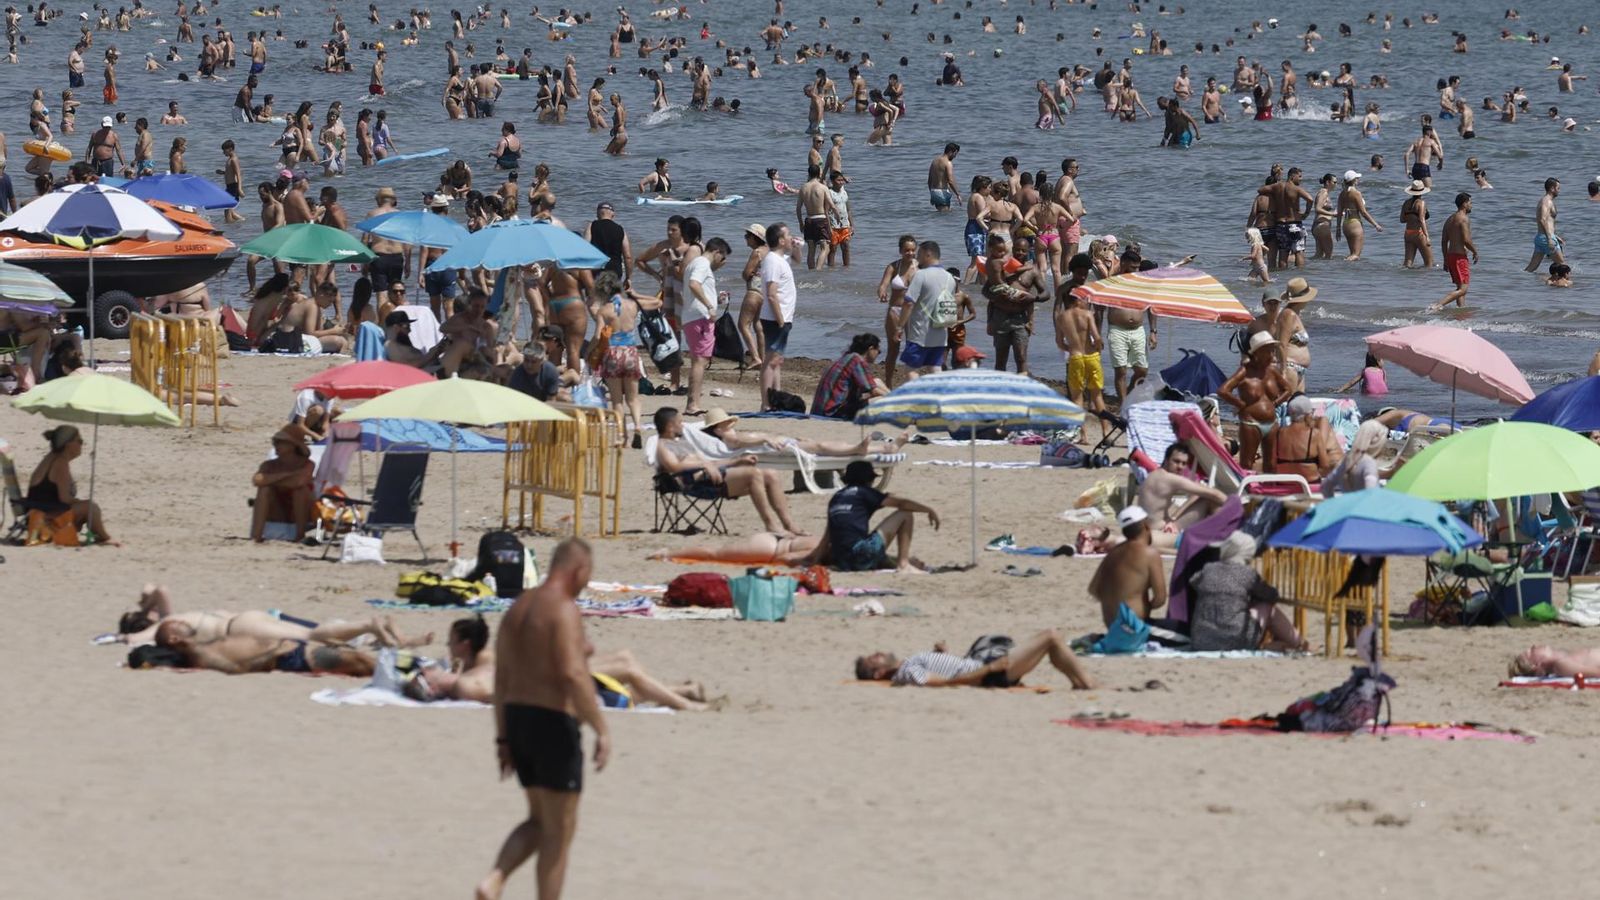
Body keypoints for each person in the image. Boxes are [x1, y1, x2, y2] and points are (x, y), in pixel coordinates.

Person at [477, 539, 607, 900]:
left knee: (538, 820)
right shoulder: (563, 609)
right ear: (579, 570)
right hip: (552, 724)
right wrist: (601, 728)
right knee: (559, 833)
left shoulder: (518, 607)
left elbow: (501, 680)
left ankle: (494, 879)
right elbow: (572, 674)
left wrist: (502, 740)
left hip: (517, 720)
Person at [114, 584, 431, 649]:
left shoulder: (161, 627)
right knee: (317, 634)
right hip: (247, 616)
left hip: (240, 628)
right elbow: (158, 588)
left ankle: (368, 626)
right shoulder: (174, 618)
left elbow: (128, 638)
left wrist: (127, 631)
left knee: (311, 637)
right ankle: (397, 636)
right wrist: (144, 606)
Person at [653, 407, 803, 535]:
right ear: (670, 426)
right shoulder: (663, 445)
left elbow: (710, 462)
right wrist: (704, 466)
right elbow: (674, 467)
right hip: (694, 484)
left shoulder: (683, 443)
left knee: (770, 473)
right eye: (679, 423)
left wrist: (736, 461)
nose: (683, 425)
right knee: (753, 473)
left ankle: (789, 524)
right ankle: (771, 524)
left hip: (709, 478)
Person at [854, 629, 1094, 689]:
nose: (878, 653)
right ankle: (1087, 683)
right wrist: (990, 668)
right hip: (991, 674)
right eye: (873, 659)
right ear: (877, 673)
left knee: (1050, 641)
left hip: (984, 667)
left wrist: (941, 656)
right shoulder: (907, 674)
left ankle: (1079, 682)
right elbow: (948, 683)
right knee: (1050, 637)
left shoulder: (907, 665)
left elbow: (947, 673)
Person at [1188, 532, 1306, 652]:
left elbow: (1193, 581)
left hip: (1201, 640)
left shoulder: (1208, 569)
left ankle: (1280, 644)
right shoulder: (1246, 574)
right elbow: (1271, 595)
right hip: (1235, 638)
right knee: (1268, 608)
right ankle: (1299, 643)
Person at [812, 461, 937, 572]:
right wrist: (928, 510)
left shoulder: (837, 498)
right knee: (905, 514)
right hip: (860, 555)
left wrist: (815, 561)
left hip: (841, 561)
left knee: (872, 551)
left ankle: (902, 562)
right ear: (869, 479)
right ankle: (904, 564)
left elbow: (827, 537)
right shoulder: (864, 492)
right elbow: (902, 503)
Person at [153, 619, 381, 676]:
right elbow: (235, 667)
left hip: (291, 650)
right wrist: (274, 653)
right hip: (289, 657)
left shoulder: (203, 644)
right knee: (361, 662)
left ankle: (407, 671)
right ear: (174, 639)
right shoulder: (199, 655)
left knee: (359, 660)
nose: (183, 623)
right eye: (177, 626)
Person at [590, 271, 654, 445]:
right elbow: (655, 303)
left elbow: (597, 336)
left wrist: (589, 351)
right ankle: (638, 426)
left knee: (617, 400)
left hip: (613, 354)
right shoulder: (632, 305)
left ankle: (621, 435)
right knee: (633, 398)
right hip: (631, 352)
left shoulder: (604, 310)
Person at [26, 424, 115, 545]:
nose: (81, 444)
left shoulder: (53, 458)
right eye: (79, 441)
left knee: (87, 506)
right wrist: (81, 502)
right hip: (45, 518)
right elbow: (65, 499)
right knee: (91, 508)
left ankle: (100, 536)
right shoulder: (60, 463)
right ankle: (105, 538)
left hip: (39, 512)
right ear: (68, 444)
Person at [1219, 332, 1294, 470]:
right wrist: (1239, 404)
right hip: (1250, 423)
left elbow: (1288, 389)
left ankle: (1269, 489)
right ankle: (1246, 489)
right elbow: (1223, 390)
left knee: (1271, 463)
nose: (1272, 355)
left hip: (1271, 423)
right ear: (1257, 353)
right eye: (1268, 351)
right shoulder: (1245, 371)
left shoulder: (1272, 371)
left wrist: (1275, 403)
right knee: (1247, 462)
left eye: (1272, 350)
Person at [1088, 506, 1168, 627]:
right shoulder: (1150, 554)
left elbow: (1093, 589)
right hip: (1135, 630)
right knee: (1186, 636)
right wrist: (1145, 608)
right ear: (1146, 526)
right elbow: (1160, 598)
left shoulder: (1112, 553)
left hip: (1112, 628)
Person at [680, 236, 730, 416]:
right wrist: (709, 306)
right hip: (700, 317)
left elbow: (692, 287)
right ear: (717, 252)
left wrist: (715, 301)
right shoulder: (701, 264)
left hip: (692, 316)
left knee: (698, 360)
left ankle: (692, 403)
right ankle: (693, 404)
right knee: (700, 361)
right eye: (722, 257)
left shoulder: (695, 264)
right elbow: (694, 284)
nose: (721, 262)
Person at [1138, 443, 1228, 535]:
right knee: (1210, 500)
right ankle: (1221, 537)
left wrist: (1176, 515)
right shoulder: (1169, 479)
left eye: (1184, 463)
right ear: (1166, 460)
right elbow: (1214, 494)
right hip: (1159, 531)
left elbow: (1198, 492)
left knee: (1199, 495)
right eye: (1176, 461)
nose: (1180, 467)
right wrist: (1235, 507)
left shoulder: (1156, 474)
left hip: (1150, 528)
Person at [898, 240, 955, 377]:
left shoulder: (921, 275)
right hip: (941, 334)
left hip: (920, 333)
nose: (917, 258)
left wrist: (899, 327)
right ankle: (938, 395)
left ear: (927, 254)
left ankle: (915, 397)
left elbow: (909, 303)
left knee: (911, 370)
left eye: (919, 254)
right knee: (935, 369)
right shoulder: (950, 278)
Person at [250, 429, 314, 543]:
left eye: (281, 442)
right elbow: (257, 480)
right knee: (264, 490)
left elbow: (298, 482)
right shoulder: (269, 465)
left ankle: (299, 535)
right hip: (277, 509)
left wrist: (270, 479)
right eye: (276, 442)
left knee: (299, 491)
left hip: (301, 509)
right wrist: (287, 474)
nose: (277, 445)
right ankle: (257, 535)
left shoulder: (306, 463)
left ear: (293, 445)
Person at [811, 333, 889, 420]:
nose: (878, 354)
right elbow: (873, 391)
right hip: (831, 412)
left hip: (821, 410)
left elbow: (868, 388)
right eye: (878, 351)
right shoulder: (857, 360)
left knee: (877, 381)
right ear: (870, 349)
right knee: (876, 395)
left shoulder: (847, 357)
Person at [1266, 394, 1335, 483]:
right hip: (1309, 484)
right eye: (1311, 413)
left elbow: (1271, 464)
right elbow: (1325, 465)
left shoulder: (1278, 433)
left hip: (1283, 484)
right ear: (1307, 415)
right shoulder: (1314, 434)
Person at [1429, 192, 1478, 312]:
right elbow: (1466, 240)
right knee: (1463, 289)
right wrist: (1475, 251)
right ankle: (1438, 305)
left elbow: (1444, 241)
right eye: (1470, 203)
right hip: (1459, 258)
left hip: (1451, 256)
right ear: (1464, 204)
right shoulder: (1463, 219)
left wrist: (1446, 259)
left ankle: (1461, 312)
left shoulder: (1450, 219)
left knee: (1459, 288)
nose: (1471, 206)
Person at [1321, 420, 1390, 496]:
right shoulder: (1368, 463)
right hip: (1364, 507)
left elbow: (1326, 486)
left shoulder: (1348, 460)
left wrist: (1333, 503)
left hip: (1348, 505)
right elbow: (1371, 493)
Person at [1525, 177, 1564, 272]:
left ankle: (1516, 282)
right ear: (1552, 188)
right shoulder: (1546, 201)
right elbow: (1542, 219)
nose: (1559, 191)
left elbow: (1548, 221)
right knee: (1563, 267)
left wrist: (1555, 235)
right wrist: (1549, 238)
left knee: (1530, 269)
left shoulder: (1546, 201)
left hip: (1542, 238)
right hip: (1546, 238)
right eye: (1558, 188)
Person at [1509, 645, 1600, 678]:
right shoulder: (1561, 665)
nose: (1534, 646)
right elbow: (1596, 673)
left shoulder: (1565, 659)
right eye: (1532, 652)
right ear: (1536, 666)